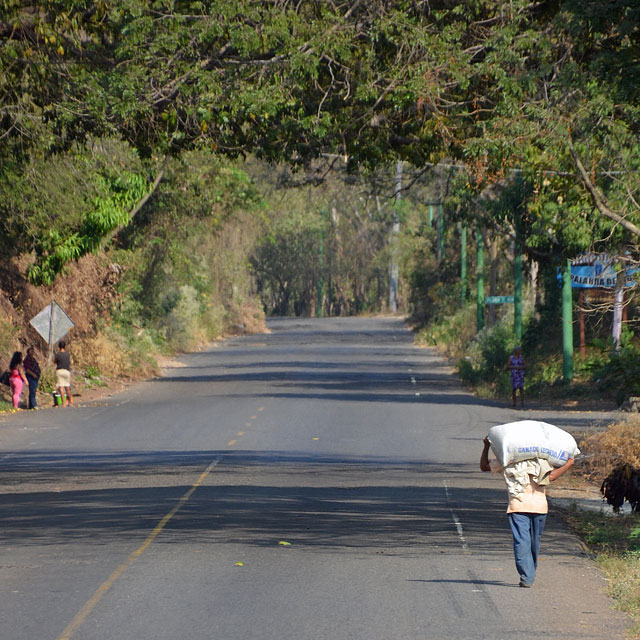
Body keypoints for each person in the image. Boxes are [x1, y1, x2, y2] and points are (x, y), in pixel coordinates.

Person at [480, 437, 574, 587]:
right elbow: (552, 476)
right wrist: (568, 465)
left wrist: (486, 446)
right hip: (537, 508)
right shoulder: (542, 461)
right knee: (532, 543)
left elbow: (484, 466)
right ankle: (527, 576)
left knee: (524, 542)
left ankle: (528, 574)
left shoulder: (508, 460)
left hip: (519, 506)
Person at [54, 340, 73, 406]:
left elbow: (55, 361)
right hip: (66, 371)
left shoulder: (57, 354)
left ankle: (64, 403)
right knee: (67, 387)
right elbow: (69, 362)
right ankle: (70, 401)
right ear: (65, 346)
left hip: (59, 371)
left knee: (61, 387)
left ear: (59, 347)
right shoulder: (68, 354)